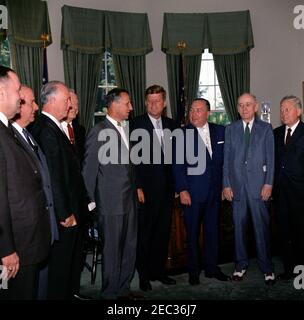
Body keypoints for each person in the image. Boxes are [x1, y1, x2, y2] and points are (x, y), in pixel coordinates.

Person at [31, 81, 88, 299]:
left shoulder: (52, 126)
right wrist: (65, 213)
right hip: (64, 215)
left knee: (66, 268)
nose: (70, 104)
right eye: (66, 100)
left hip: (70, 209)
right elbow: (54, 175)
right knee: (59, 270)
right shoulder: (47, 129)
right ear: (53, 101)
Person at [0, 66, 51, 300]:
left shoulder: (8, 129)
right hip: (15, 247)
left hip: (26, 241)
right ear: (2, 92)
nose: (20, 96)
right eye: (18, 89)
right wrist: (6, 248)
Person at [82, 88, 138, 300]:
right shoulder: (99, 131)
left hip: (129, 201)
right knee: (112, 251)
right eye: (127, 103)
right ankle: (110, 294)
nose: (131, 107)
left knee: (129, 247)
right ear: (114, 105)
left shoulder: (125, 128)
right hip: (110, 203)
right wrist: (92, 204)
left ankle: (123, 289)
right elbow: (89, 170)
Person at [172, 98, 230, 285]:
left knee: (213, 232)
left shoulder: (220, 131)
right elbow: (177, 165)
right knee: (193, 233)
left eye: (198, 110)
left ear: (208, 113)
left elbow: (225, 162)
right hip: (193, 193)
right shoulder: (181, 134)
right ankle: (193, 271)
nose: (193, 114)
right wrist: (182, 189)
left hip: (215, 191)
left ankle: (212, 268)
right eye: (192, 110)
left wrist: (224, 185)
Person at [222, 93, 276, 285]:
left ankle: (267, 268)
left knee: (261, 229)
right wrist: (226, 184)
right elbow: (226, 160)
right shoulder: (230, 129)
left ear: (255, 107)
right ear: (237, 109)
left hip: (259, 187)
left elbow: (271, 159)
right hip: (237, 188)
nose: (244, 109)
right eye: (241, 105)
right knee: (238, 230)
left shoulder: (266, 129)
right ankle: (240, 265)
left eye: (248, 105)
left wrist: (268, 183)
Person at [11, 85, 59, 299]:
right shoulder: (9, 139)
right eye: (31, 102)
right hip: (22, 238)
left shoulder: (28, 135)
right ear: (18, 105)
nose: (36, 107)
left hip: (40, 229)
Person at [132, 84, 177, 292]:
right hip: (145, 191)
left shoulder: (172, 125)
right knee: (145, 234)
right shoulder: (134, 125)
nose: (154, 104)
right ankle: (144, 275)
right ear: (145, 103)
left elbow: (176, 160)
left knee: (162, 232)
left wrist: (177, 186)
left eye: (158, 101)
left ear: (164, 103)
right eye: (150, 101)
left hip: (167, 190)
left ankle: (159, 271)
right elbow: (130, 160)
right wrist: (137, 187)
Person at [61, 89, 89, 300]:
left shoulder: (80, 130)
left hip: (82, 202)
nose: (76, 108)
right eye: (73, 103)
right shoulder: (53, 130)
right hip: (64, 205)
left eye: (78, 104)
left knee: (79, 251)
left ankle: (75, 290)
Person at [273, 95, 304, 280]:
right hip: (280, 193)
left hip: (300, 193)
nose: (283, 113)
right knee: (284, 232)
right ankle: (288, 268)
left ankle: (301, 271)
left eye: (287, 109)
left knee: (300, 233)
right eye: (282, 109)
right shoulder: (276, 133)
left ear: (298, 111)